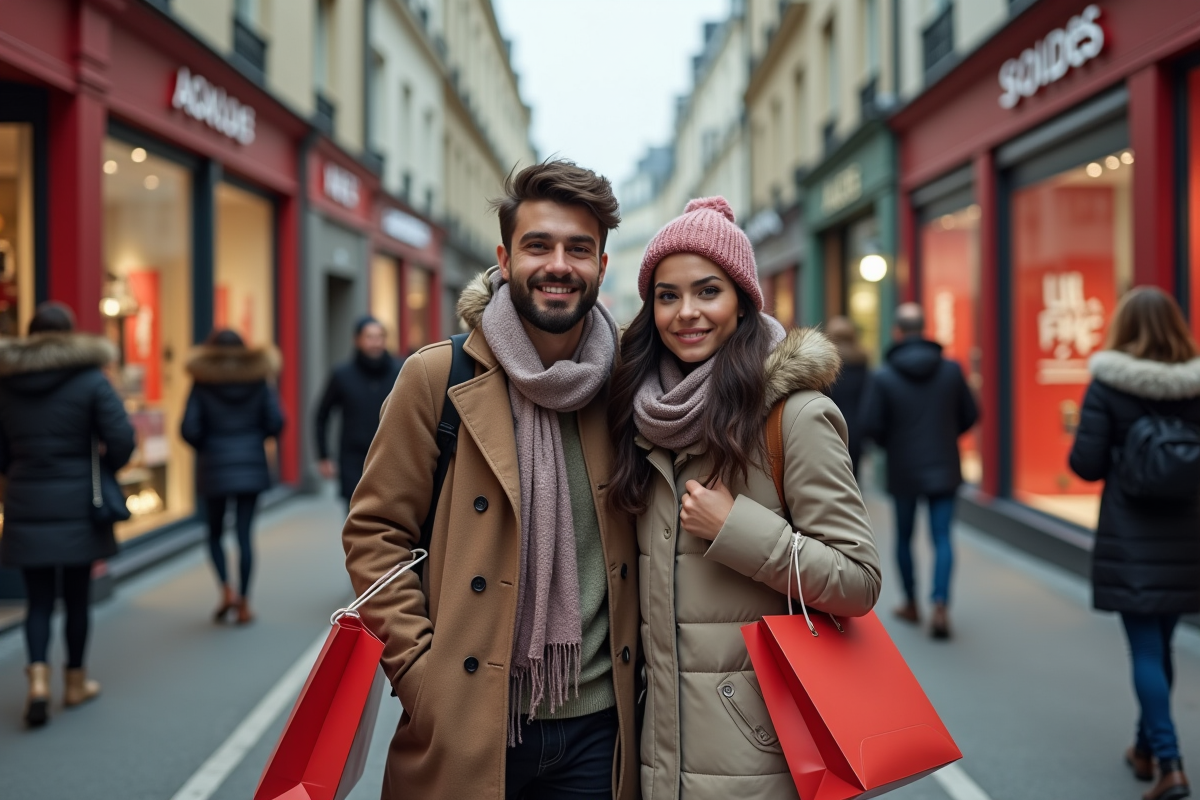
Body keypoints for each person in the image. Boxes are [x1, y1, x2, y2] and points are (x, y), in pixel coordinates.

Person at [342, 160, 639, 800]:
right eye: (539, 245)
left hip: (600, 731)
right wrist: (423, 677)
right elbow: (375, 533)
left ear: (602, 267)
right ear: (505, 259)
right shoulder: (437, 378)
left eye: (578, 249)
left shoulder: (627, 389)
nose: (558, 264)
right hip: (470, 718)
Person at [608, 196, 881, 800]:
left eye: (708, 291)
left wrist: (737, 529)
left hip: (761, 754)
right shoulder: (642, 418)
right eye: (667, 295)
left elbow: (860, 580)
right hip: (660, 752)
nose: (687, 313)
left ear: (742, 301)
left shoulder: (797, 417)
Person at [1068, 287, 1200, 800]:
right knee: (1161, 643)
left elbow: (1086, 464)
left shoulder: (1108, 386)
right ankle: (1145, 748)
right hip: (1187, 530)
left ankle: (1170, 763)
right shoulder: (1195, 386)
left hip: (1132, 535)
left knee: (1145, 647)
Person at [0, 302, 135, 727]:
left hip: (25, 499)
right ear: (71, 334)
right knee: (77, 598)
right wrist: (102, 464)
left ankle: (37, 682)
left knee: (38, 601)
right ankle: (74, 683)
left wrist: (17, 469)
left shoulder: (6, 383)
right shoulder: (91, 379)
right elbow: (122, 438)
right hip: (80, 503)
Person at [861, 303, 978, 639]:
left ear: (898, 331)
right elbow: (971, 414)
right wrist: (945, 434)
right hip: (944, 465)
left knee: (905, 538)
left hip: (904, 468)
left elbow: (871, 425)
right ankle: (940, 604)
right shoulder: (951, 370)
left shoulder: (884, 376)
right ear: (924, 328)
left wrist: (893, 445)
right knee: (942, 537)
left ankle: (911, 603)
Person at [182, 329, 284, 625]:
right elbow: (276, 421)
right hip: (251, 463)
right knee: (244, 535)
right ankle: (245, 603)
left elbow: (189, 427)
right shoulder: (259, 379)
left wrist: (209, 447)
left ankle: (226, 590)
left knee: (214, 532)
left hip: (214, 465)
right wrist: (254, 440)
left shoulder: (202, 382)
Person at [314, 316, 403, 508]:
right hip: (353, 461)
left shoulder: (401, 371)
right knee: (356, 517)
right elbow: (322, 415)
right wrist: (324, 456)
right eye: (370, 337)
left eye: (380, 337)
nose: (376, 342)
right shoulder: (342, 375)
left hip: (391, 458)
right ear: (357, 340)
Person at [824, 315, 871, 476]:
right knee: (853, 478)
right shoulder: (862, 362)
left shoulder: (824, 364)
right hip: (855, 429)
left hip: (828, 426)